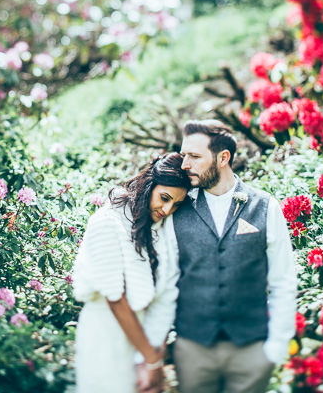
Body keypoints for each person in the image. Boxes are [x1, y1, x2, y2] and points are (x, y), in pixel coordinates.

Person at [173, 119, 297, 393]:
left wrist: (275, 348)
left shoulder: (265, 207)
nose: (185, 164)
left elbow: (283, 281)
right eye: (184, 155)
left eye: (194, 156)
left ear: (223, 158)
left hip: (250, 351)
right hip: (193, 350)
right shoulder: (176, 209)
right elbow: (165, 280)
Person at [72, 152, 192, 393]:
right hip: (105, 337)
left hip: (142, 339)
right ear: (149, 186)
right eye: (165, 198)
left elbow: (165, 291)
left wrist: (148, 353)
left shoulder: (159, 228)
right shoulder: (107, 223)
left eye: (177, 204)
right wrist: (152, 360)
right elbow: (116, 300)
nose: (168, 209)